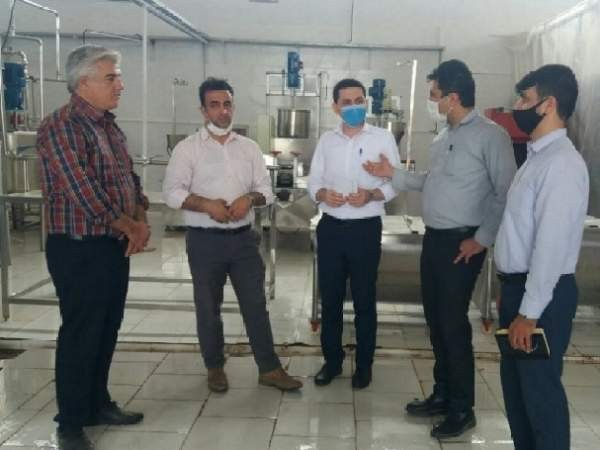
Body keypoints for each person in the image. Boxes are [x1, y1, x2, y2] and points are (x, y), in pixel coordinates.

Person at [364, 60, 516, 438]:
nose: (430, 101)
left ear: (453, 97)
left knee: (452, 324)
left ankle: (462, 409)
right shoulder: (442, 136)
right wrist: (392, 174)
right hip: (434, 239)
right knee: (435, 320)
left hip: (462, 243)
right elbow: (431, 182)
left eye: (433, 95)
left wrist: (481, 239)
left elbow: (506, 191)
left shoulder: (490, 136)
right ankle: (443, 393)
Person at [37, 45, 150, 450]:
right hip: (79, 248)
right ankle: (70, 422)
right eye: (111, 77)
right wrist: (129, 225)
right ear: (83, 83)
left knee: (106, 328)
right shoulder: (62, 127)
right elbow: (83, 191)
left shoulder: (108, 126)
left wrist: (139, 216)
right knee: (81, 332)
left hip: (110, 245)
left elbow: (128, 177)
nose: (120, 85)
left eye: (117, 76)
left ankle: (97, 404)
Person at [163, 77, 302, 393]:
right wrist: (206, 204)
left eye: (227, 104)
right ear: (203, 110)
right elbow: (172, 192)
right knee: (208, 308)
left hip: (243, 240)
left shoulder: (249, 148)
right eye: (214, 105)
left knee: (255, 305)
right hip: (205, 241)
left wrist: (249, 199)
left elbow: (266, 190)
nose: (222, 111)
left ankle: (269, 368)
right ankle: (214, 367)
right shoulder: (188, 149)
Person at [494, 64, 588, 450]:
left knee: (539, 399)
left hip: (542, 300)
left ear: (548, 104)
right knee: (519, 399)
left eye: (525, 99)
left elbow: (549, 247)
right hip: (521, 291)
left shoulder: (561, 164)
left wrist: (529, 313)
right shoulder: (537, 157)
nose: (518, 106)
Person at [308, 78, 400, 389]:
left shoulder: (382, 138)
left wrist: (371, 195)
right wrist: (322, 194)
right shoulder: (327, 141)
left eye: (359, 101)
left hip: (365, 229)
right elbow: (313, 180)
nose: (354, 107)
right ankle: (332, 362)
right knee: (330, 300)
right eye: (346, 103)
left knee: (364, 300)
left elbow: (395, 182)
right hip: (331, 228)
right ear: (335, 107)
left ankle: (364, 366)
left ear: (366, 102)